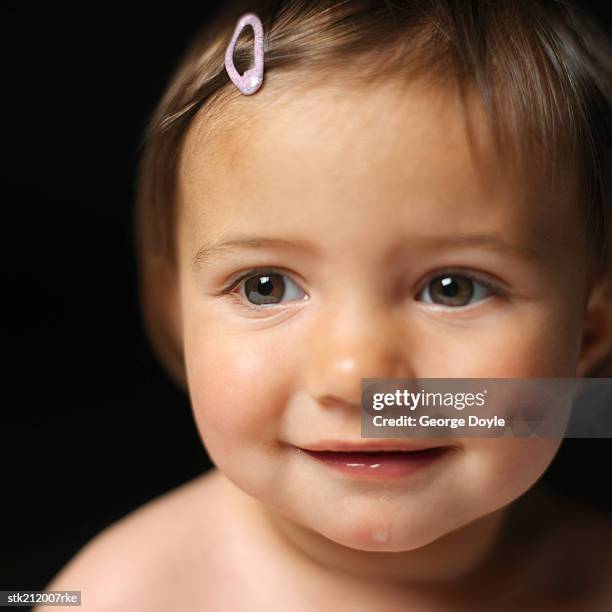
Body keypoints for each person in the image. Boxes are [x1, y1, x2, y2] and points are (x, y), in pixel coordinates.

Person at [41, 1, 612, 609]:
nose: (353, 378)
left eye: (454, 288)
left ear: (587, 332)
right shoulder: (122, 596)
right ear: (177, 315)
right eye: (266, 286)